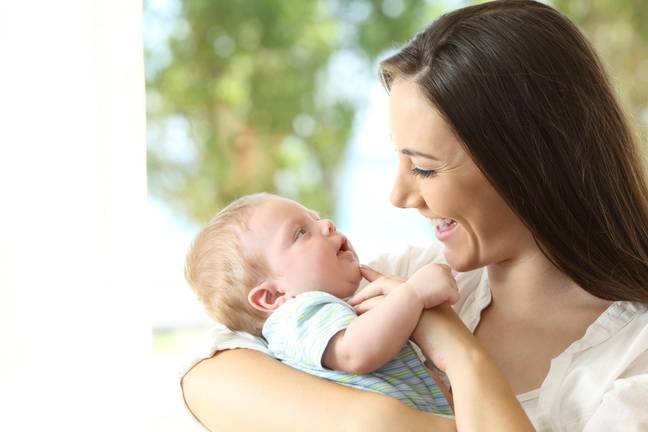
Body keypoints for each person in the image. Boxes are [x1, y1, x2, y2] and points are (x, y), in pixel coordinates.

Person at [180, 1, 648, 431]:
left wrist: (457, 350)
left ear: (531, 161)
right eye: (399, 160)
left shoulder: (633, 357)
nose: (400, 195)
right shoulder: (403, 275)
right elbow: (209, 370)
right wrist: (380, 421)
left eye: (423, 167)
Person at [184, 192, 460, 416]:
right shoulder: (298, 315)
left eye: (315, 219)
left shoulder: (329, 310)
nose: (327, 224)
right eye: (301, 232)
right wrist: (413, 293)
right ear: (272, 296)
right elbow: (355, 352)